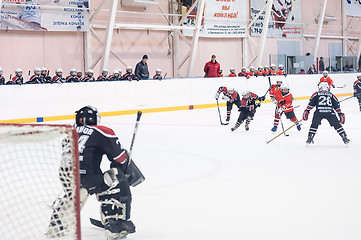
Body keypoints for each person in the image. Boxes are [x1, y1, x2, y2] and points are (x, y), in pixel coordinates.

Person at [46, 106, 143, 239]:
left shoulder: (70, 132)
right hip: (86, 175)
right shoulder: (102, 131)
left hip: (65, 175)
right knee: (116, 179)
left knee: (77, 192)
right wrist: (124, 166)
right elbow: (119, 158)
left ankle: (57, 224)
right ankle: (114, 222)